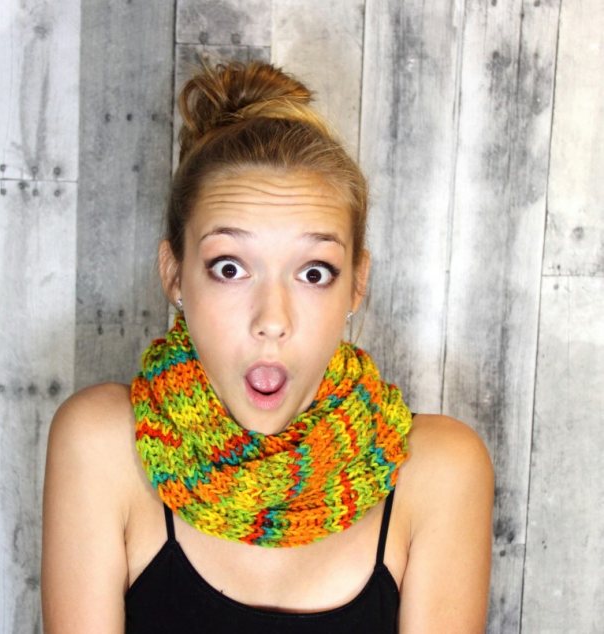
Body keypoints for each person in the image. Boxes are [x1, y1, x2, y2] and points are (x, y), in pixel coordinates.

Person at [41, 61, 493, 633]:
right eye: (230, 268)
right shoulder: (102, 445)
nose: (272, 320)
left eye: (314, 273)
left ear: (356, 284)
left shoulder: (439, 471)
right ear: (175, 273)